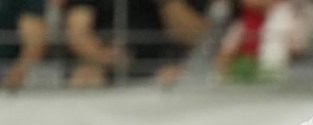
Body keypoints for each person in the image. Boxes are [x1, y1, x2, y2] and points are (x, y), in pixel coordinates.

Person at [63, 0, 209, 87]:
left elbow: (194, 36)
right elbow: (77, 32)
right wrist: (103, 56)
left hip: (167, 66)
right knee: (86, 79)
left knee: (180, 81)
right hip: (103, 65)